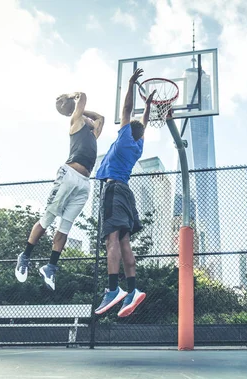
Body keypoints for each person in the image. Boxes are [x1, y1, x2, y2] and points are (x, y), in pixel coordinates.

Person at [15, 91, 104, 290]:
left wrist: (85, 114)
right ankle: (25, 255)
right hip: (68, 175)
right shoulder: (76, 123)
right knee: (47, 219)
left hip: (84, 183)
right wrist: (74, 103)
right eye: (85, 117)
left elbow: (101, 118)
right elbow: (83, 96)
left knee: (65, 227)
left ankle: (50, 267)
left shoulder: (93, 135)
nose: (91, 120)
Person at [93, 68, 156, 317]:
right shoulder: (138, 145)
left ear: (129, 129)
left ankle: (112, 289)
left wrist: (130, 85)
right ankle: (132, 290)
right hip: (126, 193)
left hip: (114, 189)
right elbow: (144, 123)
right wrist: (149, 106)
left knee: (111, 241)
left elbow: (127, 111)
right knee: (124, 241)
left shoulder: (125, 138)